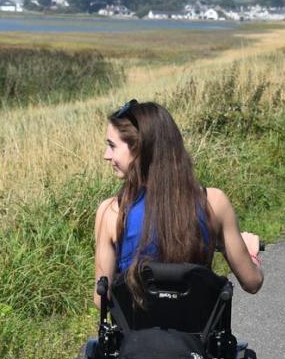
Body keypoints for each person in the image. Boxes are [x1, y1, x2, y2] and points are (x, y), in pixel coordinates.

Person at [93, 99, 263, 307]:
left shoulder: (112, 212)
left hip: (136, 336)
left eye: (112, 146)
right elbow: (252, 282)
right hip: (196, 336)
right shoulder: (214, 203)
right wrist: (251, 253)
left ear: (138, 149)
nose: (106, 156)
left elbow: (101, 300)